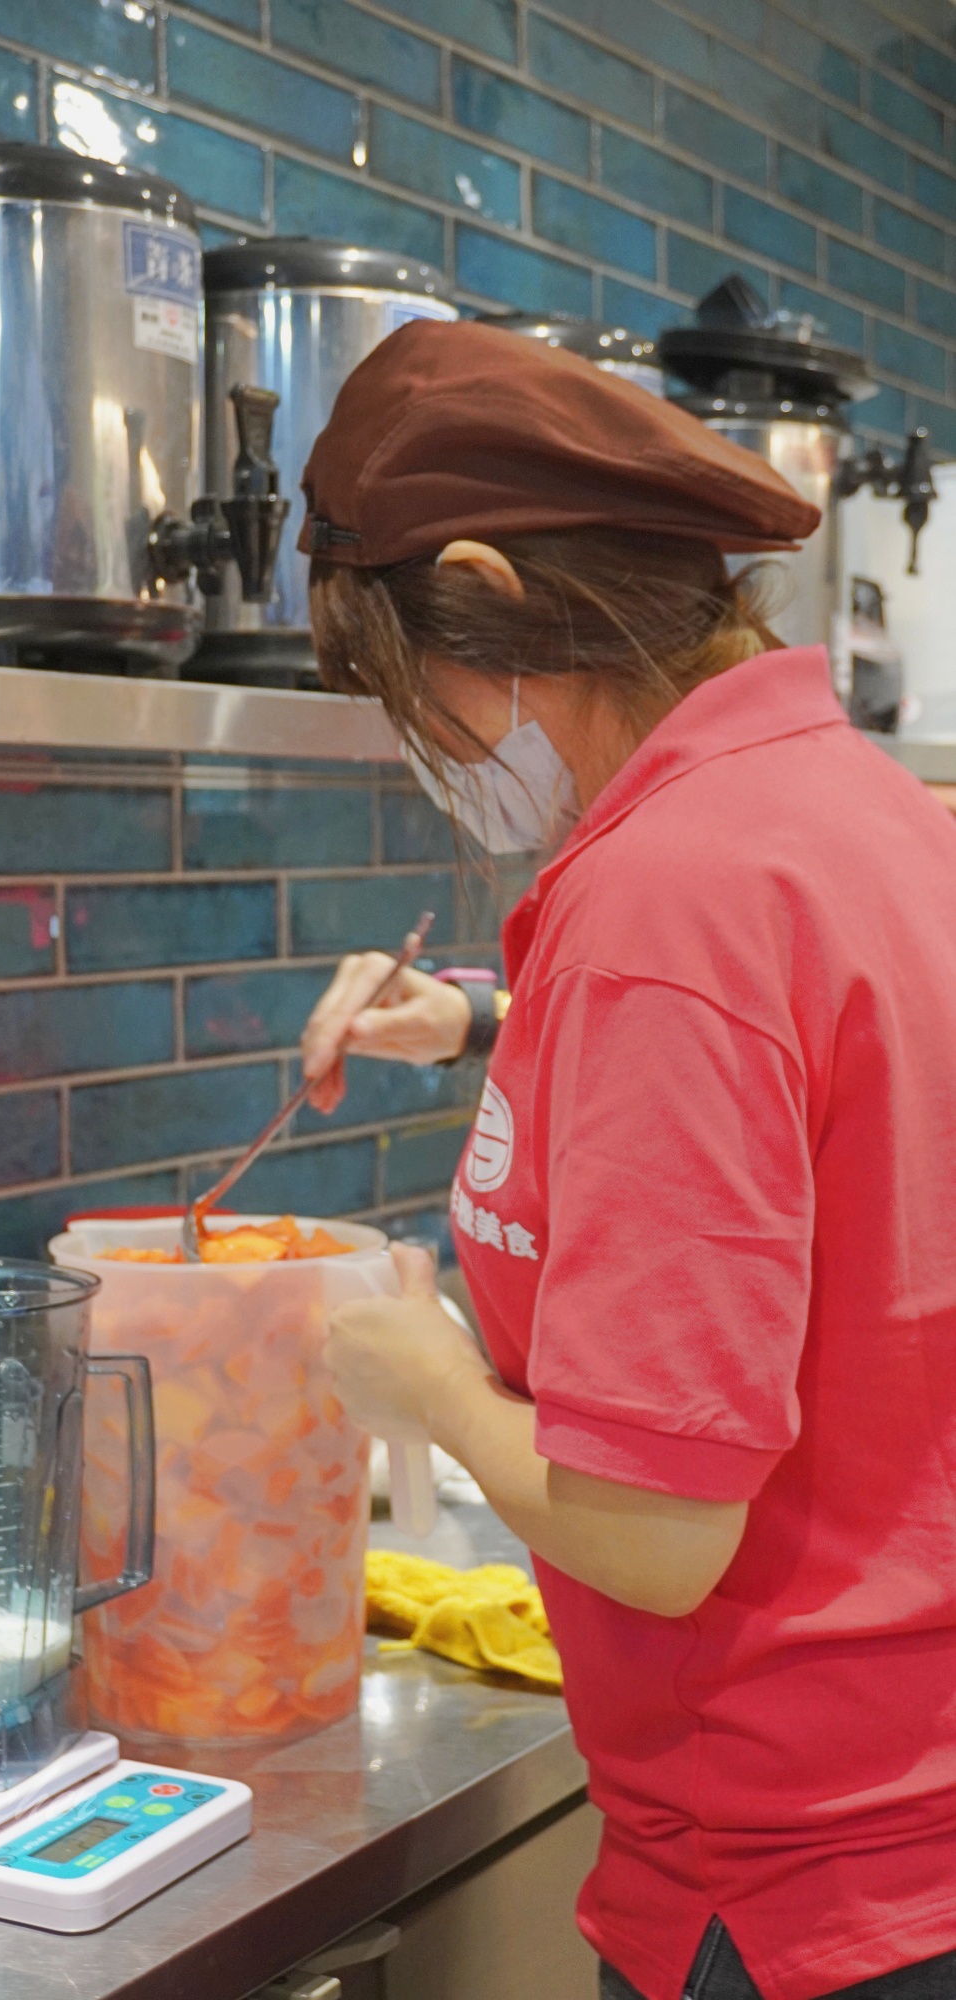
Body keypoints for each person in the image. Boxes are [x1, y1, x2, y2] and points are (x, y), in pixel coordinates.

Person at [298, 319, 956, 2000]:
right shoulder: (851, 812)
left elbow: (658, 1534)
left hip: (799, 1882)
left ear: (484, 594)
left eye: (403, 689)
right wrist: (483, 1023)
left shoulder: (664, 906)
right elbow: (817, 1099)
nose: (423, 743)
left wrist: (419, 1377)